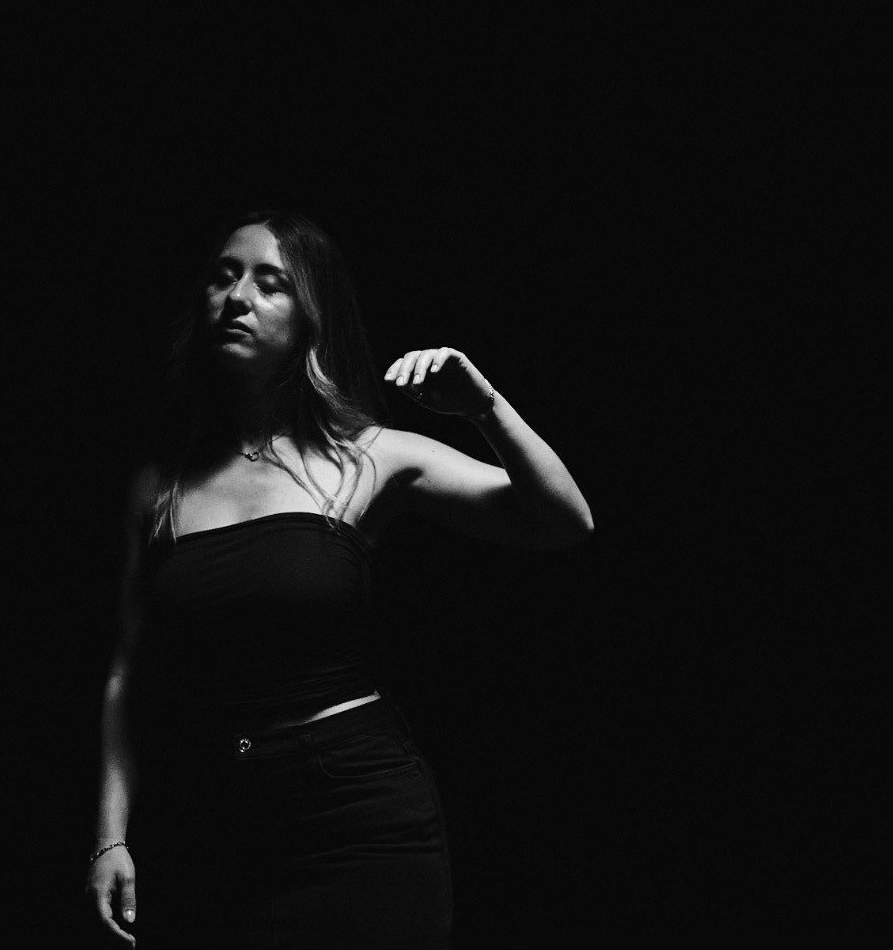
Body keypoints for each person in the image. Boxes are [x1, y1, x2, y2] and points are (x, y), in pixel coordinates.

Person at [85, 212, 593, 948]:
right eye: (224, 276)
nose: (237, 297)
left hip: (356, 817)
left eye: (271, 283)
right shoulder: (157, 487)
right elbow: (128, 674)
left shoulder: (369, 456)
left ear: (310, 320)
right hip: (215, 825)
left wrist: (484, 408)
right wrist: (110, 838)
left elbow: (564, 521)